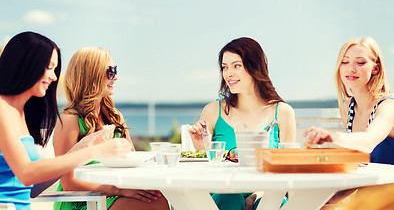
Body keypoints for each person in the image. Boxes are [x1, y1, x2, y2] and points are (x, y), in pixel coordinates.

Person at [0, 32, 132, 210]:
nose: (54, 77)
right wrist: (95, 151)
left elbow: (30, 189)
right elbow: (26, 173)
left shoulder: (19, 113)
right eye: (49, 67)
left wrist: (81, 147)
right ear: (26, 65)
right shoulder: (2, 109)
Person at [52, 47, 170, 210]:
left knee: (158, 199)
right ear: (91, 74)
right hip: (81, 201)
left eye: (115, 70)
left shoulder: (115, 117)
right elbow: (68, 183)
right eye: (111, 71)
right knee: (155, 204)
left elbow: (132, 161)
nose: (116, 77)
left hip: (112, 195)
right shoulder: (69, 120)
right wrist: (119, 189)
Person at [188, 37, 296, 210]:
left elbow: (288, 173)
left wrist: (259, 193)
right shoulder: (212, 111)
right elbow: (206, 175)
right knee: (230, 198)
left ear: (255, 67)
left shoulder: (283, 112)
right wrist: (202, 148)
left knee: (269, 203)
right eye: (224, 67)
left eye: (236, 65)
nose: (228, 73)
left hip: (268, 195)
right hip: (222, 195)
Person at [304, 37, 394, 164]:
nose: (351, 69)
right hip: (365, 182)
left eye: (360, 63)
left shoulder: (388, 106)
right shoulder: (349, 107)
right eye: (345, 62)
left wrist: (332, 136)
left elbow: (369, 142)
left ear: (376, 69)